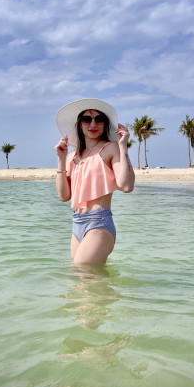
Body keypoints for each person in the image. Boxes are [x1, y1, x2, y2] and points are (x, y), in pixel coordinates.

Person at [55, 99, 135, 264]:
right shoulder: (72, 157)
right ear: (79, 125)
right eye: (87, 119)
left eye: (99, 119)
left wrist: (123, 147)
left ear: (105, 124)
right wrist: (61, 159)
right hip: (77, 223)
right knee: (81, 277)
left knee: (82, 271)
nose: (93, 124)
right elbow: (64, 196)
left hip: (99, 222)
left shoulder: (111, 148)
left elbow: (126, 186)